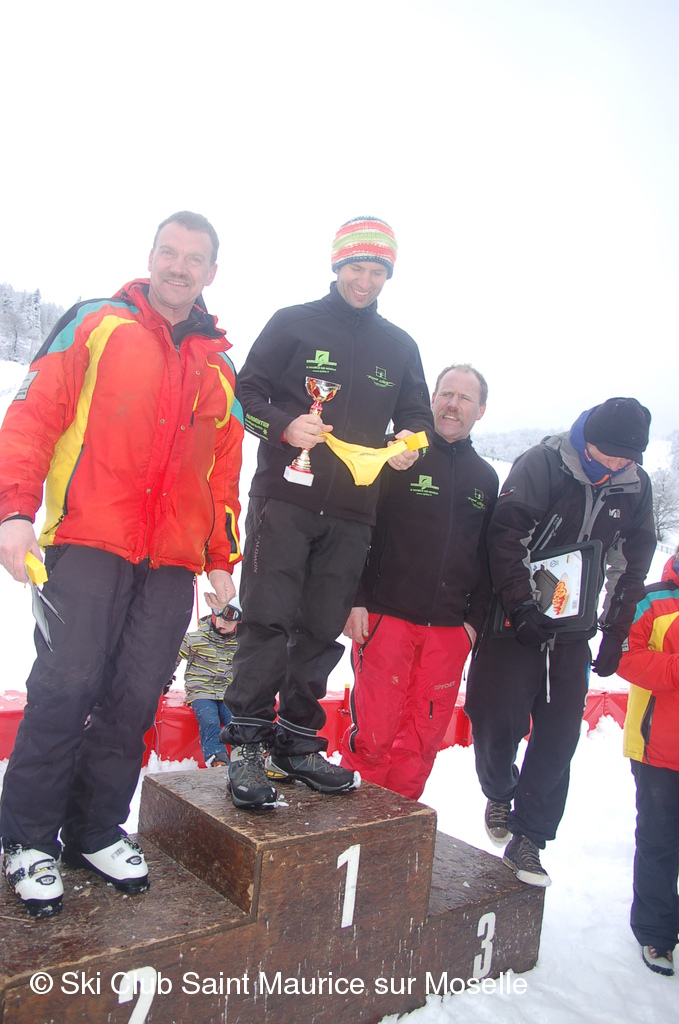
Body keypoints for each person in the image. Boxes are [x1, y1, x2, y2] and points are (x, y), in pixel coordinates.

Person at [0, 212, 243, 917]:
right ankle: (26, 839)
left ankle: (96, 829)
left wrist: (220, 559)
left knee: (134, 698)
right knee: (66, 686)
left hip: (169, 563)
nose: (178, 266)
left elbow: (222, 475)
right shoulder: (97, 322)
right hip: (86, 541)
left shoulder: (218, 365)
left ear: (210, 272)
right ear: (151, 256)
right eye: (169, 252)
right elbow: (33, 417)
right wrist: (15, 511)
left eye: (193, 258)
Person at [223, 216, 434, 809]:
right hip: (284, 496)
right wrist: (283, 425)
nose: (365, 281)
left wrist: (409, 446)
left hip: (354, 508)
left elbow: (416, 418)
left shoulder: (400, 346)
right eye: (356, 268)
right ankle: (247, 744)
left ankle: (296, 741)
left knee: (319, 626)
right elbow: (244, 394)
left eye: (377, 272)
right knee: (267, 619)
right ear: (337, 265)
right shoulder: (293, 322)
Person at [465, 397, 655, 887]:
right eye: (610, 453)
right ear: (587, 439)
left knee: (558, 739)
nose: (617, 464)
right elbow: (506, 537)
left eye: (627, 458)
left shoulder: (635, 485)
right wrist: (522, 606)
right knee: (494, 722)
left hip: (573, 632)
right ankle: (499, 790)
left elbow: (632, 563)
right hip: (513, 622)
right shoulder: (543, 464)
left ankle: (529, 839)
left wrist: (615, 632)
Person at [340, 364, 498, 799]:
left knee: (421, 744)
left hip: (449, 632)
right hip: (386, 619)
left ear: (481, 410)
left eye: (465, 398)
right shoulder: (399, 455)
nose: (453, 405)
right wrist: (355, 597)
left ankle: (398, 828)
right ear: (432, 399)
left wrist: (473, 625)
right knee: (374, 736)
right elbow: (358, 528)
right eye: (446, 394)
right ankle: (354, 824)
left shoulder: (485, 478)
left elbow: (489, 560)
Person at [617, 545, 679, 977]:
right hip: (658, 747)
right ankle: (657, 933)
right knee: (659, 842)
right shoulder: (651, 599)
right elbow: (624, 657)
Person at [178, 605, 241, 767]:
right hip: (201, 690)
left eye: (229, 621)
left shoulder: (240, 643)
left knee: (234, 718)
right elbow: (173, 654)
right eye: (220, 618)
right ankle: (216, 756)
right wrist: (164, 677)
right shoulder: (196, 639)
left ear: (238, 622)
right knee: (209, 719)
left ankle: (242, 752)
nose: (223, 623)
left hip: (227, 692)